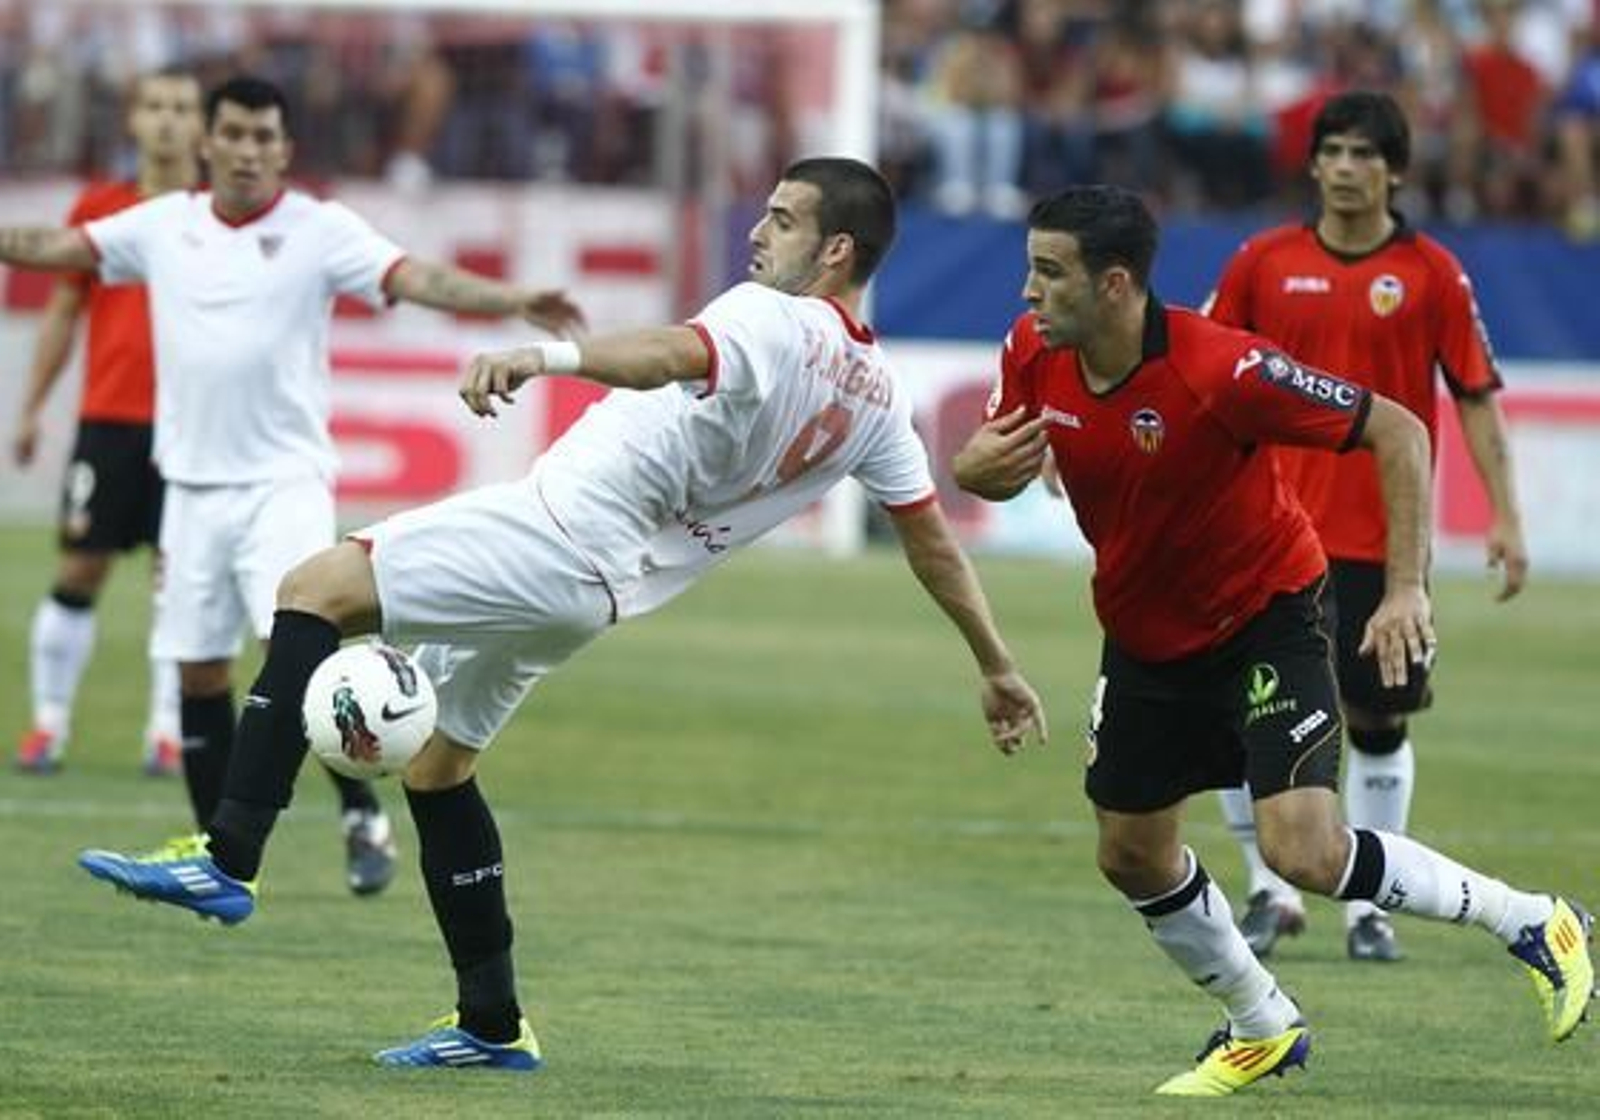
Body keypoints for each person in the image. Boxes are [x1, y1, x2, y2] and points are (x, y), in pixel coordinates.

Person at [72, 156, 1049, 1070]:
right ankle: (492, 1022)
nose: (759, 231)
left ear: (837, 250)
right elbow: (928, 539)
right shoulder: (878, 399)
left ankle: (228, 853)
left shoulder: (772, 318)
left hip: (554, 528)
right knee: (440, 766)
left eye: (784, 219)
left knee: (312, 589)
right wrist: (996, 664)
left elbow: (671, 351)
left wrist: (543, 354)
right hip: (600, 590)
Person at [952, 184, 1590, 1097]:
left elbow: (1401, 431)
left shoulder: (1226, 370)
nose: (1026, 292)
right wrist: (978, 467)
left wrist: (1406, 588)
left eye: (1049, 273)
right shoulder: (1032, 351)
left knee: (1305, 850)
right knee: (1129, 852)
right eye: (1030, 268)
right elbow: (994, 460)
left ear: (1117, 284)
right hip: (1143, 633)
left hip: (1266, 616)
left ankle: (1534, 920)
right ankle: (1263, 1025)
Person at [0, 75, 583, 897]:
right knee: (197, 671)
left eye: (263, 136)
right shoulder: (163, 225)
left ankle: (358, 814)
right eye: (233, 134)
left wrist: (513, 298)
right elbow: (54, 249)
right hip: (191, 485)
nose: (247, 150)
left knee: (299, 654)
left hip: (282, 481)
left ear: (284, 148)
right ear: (208, 144)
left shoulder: (318, 231)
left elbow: (419, 279)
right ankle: (216, 860)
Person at [1205, 90, 1529, 964]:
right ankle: (1271, 892)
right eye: (1333, 152)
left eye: (1364, 154)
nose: (1346, 168)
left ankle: (1367, 909)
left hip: (1382, 545)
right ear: (1312, 164)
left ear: (1395, 169)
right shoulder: (1260, 263)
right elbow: (1200, 371)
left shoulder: (1431, 274)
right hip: (1270, 535)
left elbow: (1474, 398)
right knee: (1248, 714)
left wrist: (1504, 512)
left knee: (1379, 720)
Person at [11, 70, 202, 778]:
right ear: (133, 120)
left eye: (182, 108)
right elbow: (63, 313)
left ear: (202, 127)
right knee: (79, 567)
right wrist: (31, 406)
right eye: (155, 106)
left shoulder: (217, 215)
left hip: (193, 428)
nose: (168, 121)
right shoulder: (99, 208)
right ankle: (49, 726)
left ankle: (166, 732)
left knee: (175, 578)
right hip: (109, 421)